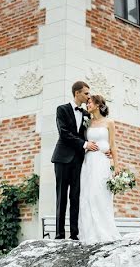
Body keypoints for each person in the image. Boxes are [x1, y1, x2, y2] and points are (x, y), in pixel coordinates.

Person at [51, 81, 96, 240]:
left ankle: (74, 234)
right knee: (61, 196)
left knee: (75, 196)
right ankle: (59, 234)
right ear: (77, 93)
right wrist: (84, 144)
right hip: (62, 158)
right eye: (86, 93)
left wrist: (103, 150)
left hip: (78, 159)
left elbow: (90, 135)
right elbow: (64, 133)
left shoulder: (86, 114)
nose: (88, 96)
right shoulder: (61, 109)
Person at [78, 94, 122, 243]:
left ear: (97, 104)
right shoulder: (87, 122)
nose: (87, 105)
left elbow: (113, 144)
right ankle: (90, 234)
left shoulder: (109, 122)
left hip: (103, 162)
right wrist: (86, 147)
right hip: (89, 162)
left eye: (89, 103)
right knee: (88, 196)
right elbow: (82, 142)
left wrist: (116, 165)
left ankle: (105, 232)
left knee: (101, 195)